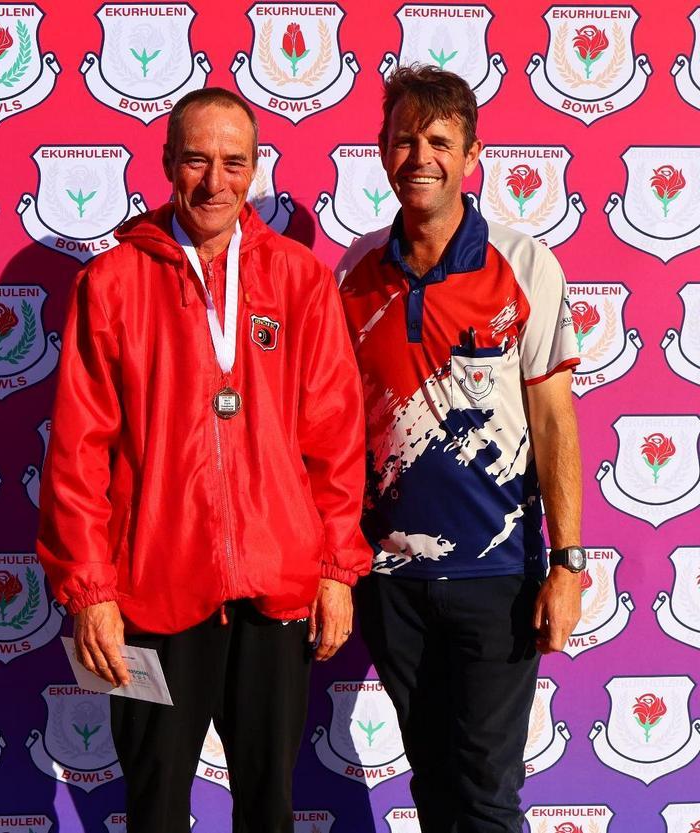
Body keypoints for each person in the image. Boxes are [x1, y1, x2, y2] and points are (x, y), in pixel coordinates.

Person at [37, 87, 372, 833]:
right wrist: (90, 591)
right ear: (167, 164)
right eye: (196, 160)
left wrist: (335, 568)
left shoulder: (300, 279)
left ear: (254, 168)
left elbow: (335, 439)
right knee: (154, 808)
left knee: (269, 808)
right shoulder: (112, 284)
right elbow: (79, 452)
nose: (215, 181)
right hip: (150, 594)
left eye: (233, 162)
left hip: (276, 592)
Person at [337, 66, 585, 833]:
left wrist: (569, 564)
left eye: (441, 141)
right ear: (382, 150)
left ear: (473, 156)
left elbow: (554, 421)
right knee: (436, 782)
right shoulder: (354, 272)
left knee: (483, 793)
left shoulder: (525, 264)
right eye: (405, 140)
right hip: (390, 583)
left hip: (497, 577)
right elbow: (336, 429)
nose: (422, 157)